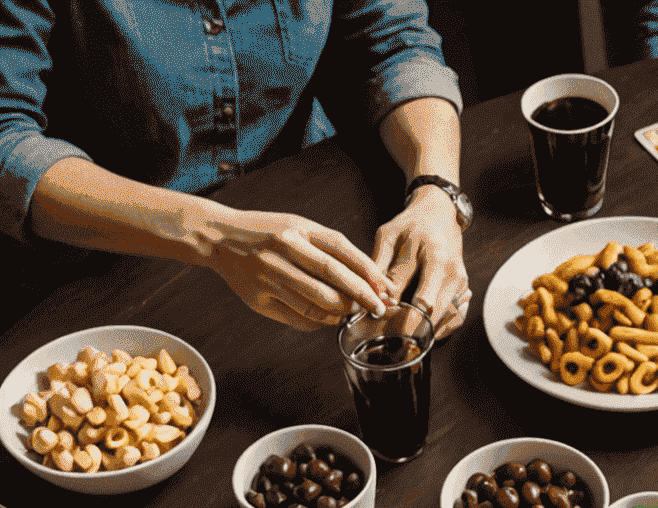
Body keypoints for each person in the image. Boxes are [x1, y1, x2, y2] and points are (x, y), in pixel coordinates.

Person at [0, 0, 473, 336]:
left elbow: (395, 44)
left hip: (313, 224)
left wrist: (436, 192)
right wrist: (216, 235)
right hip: (107, 266)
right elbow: (7, 142)